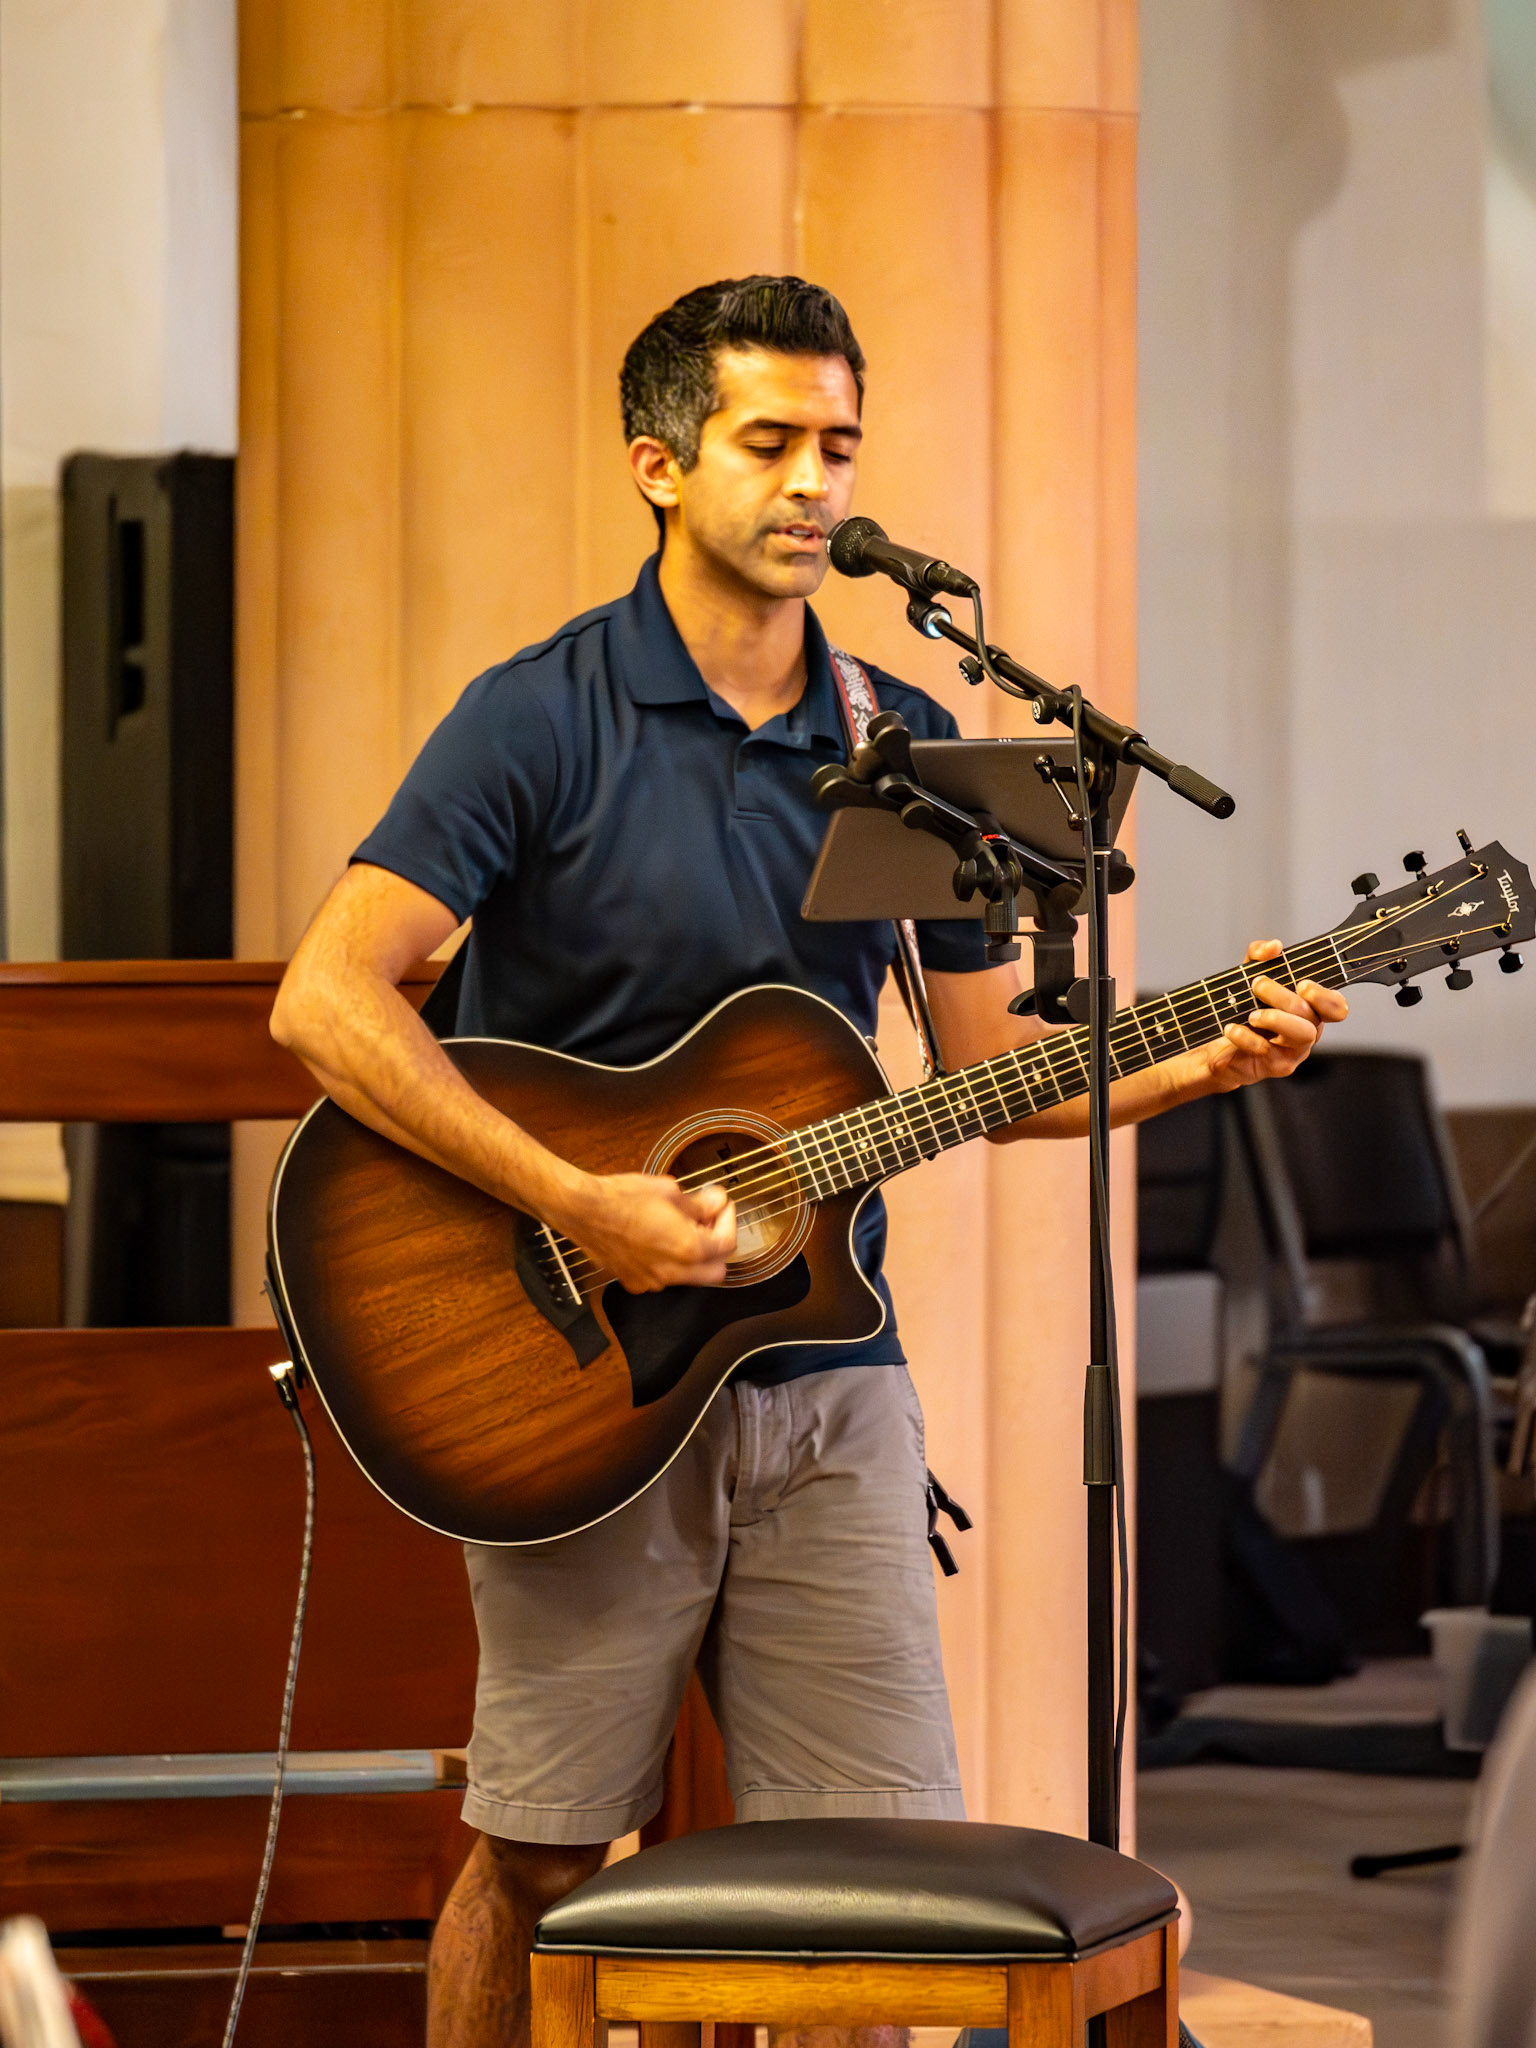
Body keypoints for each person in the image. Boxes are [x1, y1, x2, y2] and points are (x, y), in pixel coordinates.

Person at [270, 275, 1348, 2048]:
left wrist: (1198, 1058)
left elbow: (995, 1078)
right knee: (540, 1860)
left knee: (871, 1890)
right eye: (768, 442)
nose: (814, 484)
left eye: (838, 444)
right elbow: (329, 1001)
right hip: (574, 1380)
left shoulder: (907, 745)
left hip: (830, 1380)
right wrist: (577, 1196)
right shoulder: (538, 717)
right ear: (658, 462)